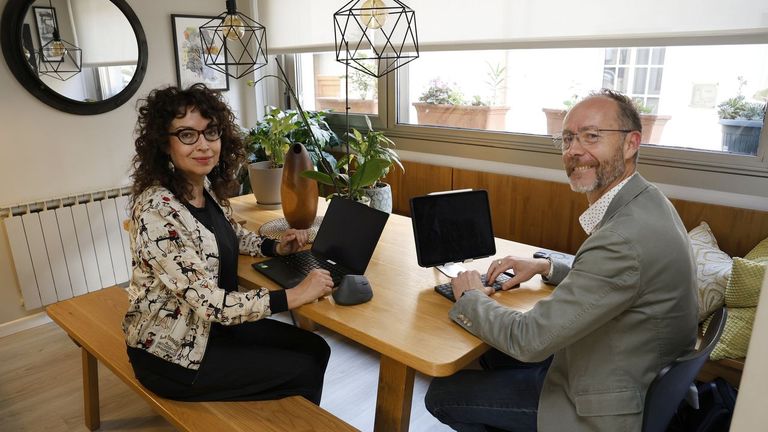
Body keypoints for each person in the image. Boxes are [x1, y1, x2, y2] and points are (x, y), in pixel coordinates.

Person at [425, 89, 698, 431]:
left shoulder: (621, 239)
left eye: (592, 136)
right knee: (492, 354)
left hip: (596, 403)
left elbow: (528, 340)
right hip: (625, 367)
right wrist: (547, 266)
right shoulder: (649, 201)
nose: (574, 151)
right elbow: (621, 277)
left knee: (441, 394)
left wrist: (470, 296)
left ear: (631, 144)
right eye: (568, 138)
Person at [122, 83, 334, 404]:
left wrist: (274, 248)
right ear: (165, 144)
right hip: (174, 353)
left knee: (316, 348)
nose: (204, 145)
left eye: (211, 132)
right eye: (187, 135)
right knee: (302, 367)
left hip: (215, 329)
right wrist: (294, 295)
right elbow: (211, 304)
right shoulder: (158, 211)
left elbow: (230, 234)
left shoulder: (199, 186)